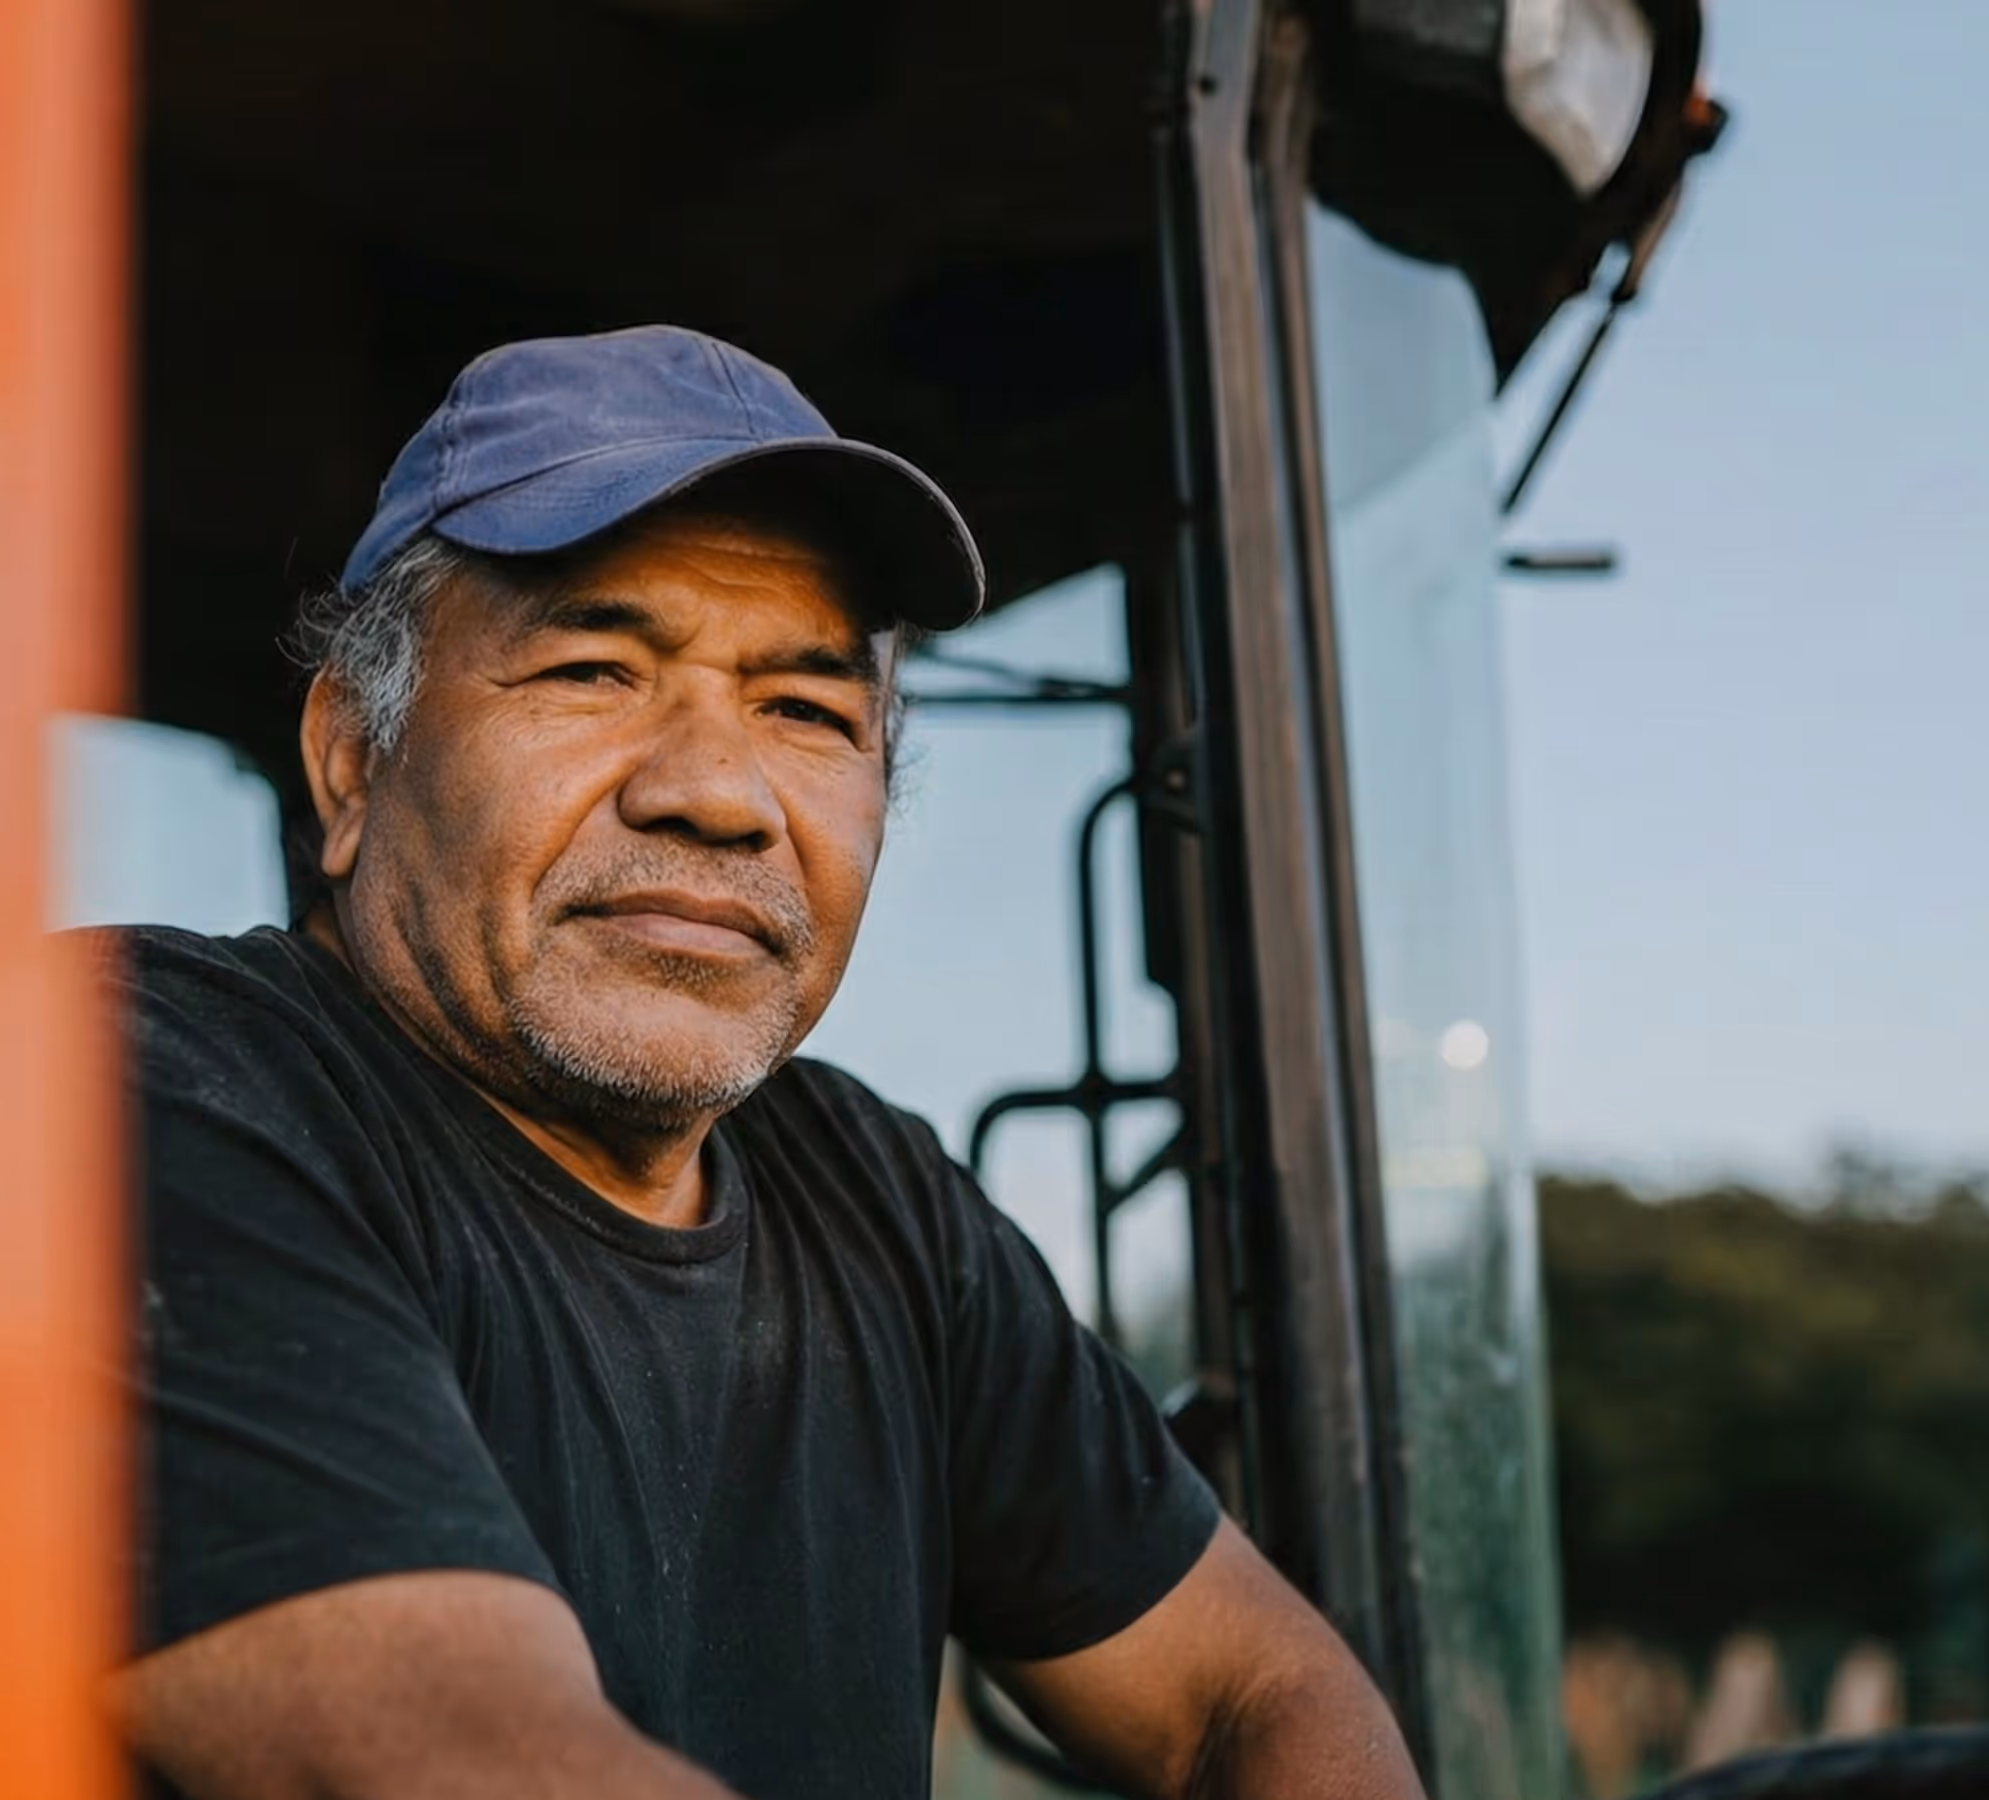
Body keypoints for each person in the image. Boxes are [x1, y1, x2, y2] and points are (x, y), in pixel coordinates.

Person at [104, 324, 1428, 1800]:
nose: (718, 795)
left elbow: (1256, 1688)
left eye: (803, 709)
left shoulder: (874, 1198)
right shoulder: (143, 1090)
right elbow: (467, 1764)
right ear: (354, 755)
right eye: (595, 669)